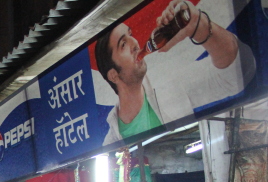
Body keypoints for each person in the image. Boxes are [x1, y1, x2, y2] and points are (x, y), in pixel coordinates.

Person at [95, 0, 256, 145]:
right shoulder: (112, 137)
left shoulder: (168, 83)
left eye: (131, 35)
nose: (136, 44)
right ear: (113, 75)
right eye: (123, 44)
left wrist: (199, 27)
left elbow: (238, 74)